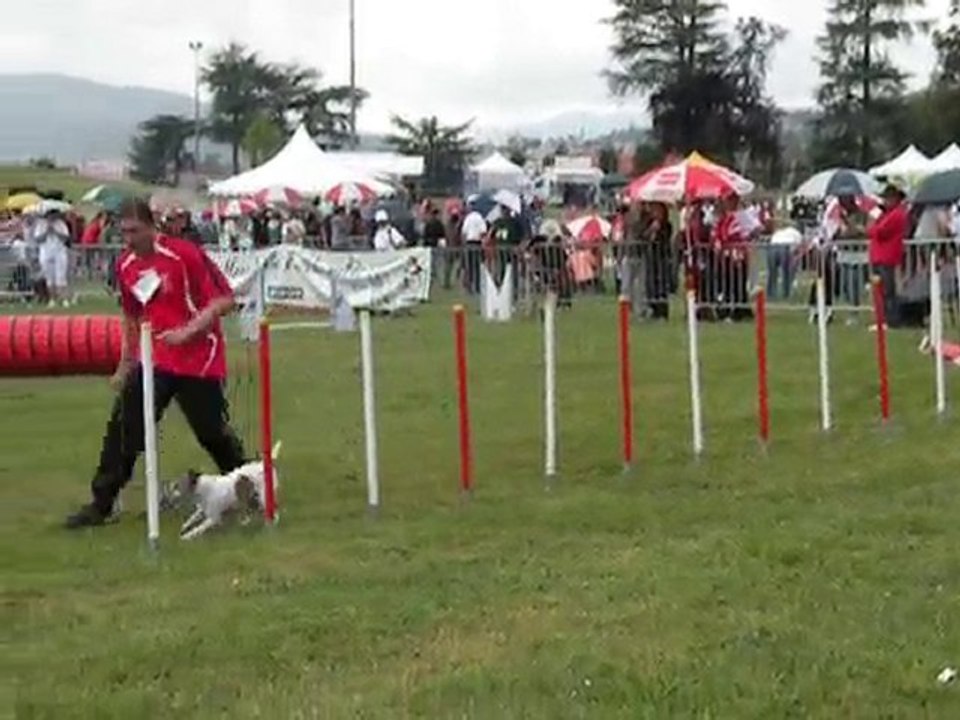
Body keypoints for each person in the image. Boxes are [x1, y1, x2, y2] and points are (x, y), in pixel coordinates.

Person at [65, 199, 247, 529]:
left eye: (135, 231)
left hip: (198, 358)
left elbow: (224, 300)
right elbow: (131, 318)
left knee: (211, 432)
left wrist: (188, 331)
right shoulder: (126, 265)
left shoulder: (184, 254)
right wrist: (125, 363)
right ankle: (101, 504)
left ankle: (246, 483)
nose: (129, 239)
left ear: (152, 227)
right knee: (125, 425)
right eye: (124, 232)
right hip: (157, 358)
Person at [868, 183, 909, 330]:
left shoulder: (897, 215)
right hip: (879, 257)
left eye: (888, 198)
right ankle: (882, 319)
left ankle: (892, 320)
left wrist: (872, 224)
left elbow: (879, 232)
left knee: (888, 291)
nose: (885, 201)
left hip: (887, 257)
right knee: (879, 291)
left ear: (895, 199)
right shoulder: (886, 214)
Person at [32, 208, 73, 308]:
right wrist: (47, 231)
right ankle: (52, 299)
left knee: (61, 277)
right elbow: (38, 239)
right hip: (46, 253)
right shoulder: (41, 225)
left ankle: (64, 299)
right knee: (49, 277)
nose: (52, 217)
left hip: (59, 252)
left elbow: (66, 238)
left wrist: (55, 231)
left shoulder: (61, 224)